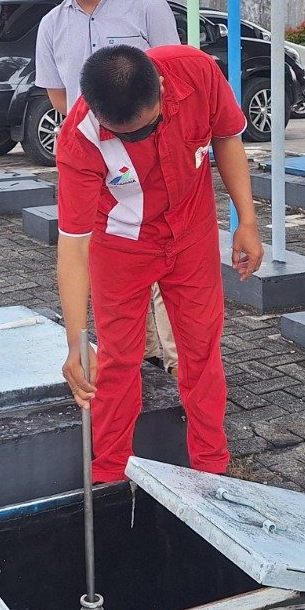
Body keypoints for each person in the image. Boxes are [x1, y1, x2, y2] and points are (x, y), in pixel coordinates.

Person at [54, 43, 263, 482]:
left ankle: (211, 467)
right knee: (116, 359)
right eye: (125, 136)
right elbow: (73, 247)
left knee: (201, 350)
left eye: (145, 129)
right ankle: (111, 472)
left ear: (163, 88)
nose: (137, 141)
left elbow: (227, 136)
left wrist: (246, 220)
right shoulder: (79, 140)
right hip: (122, 245)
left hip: (191, 232)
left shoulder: (196, 72)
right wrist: (75, 342)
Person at [35, 0, 184, 375]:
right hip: (92, 162)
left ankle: (181, 364)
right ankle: (134, 353)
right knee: (105, 256)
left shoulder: (146, 9)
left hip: (153, 156)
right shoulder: (51, 25)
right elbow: (59, 97)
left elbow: (174, 79)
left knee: (163, 253)